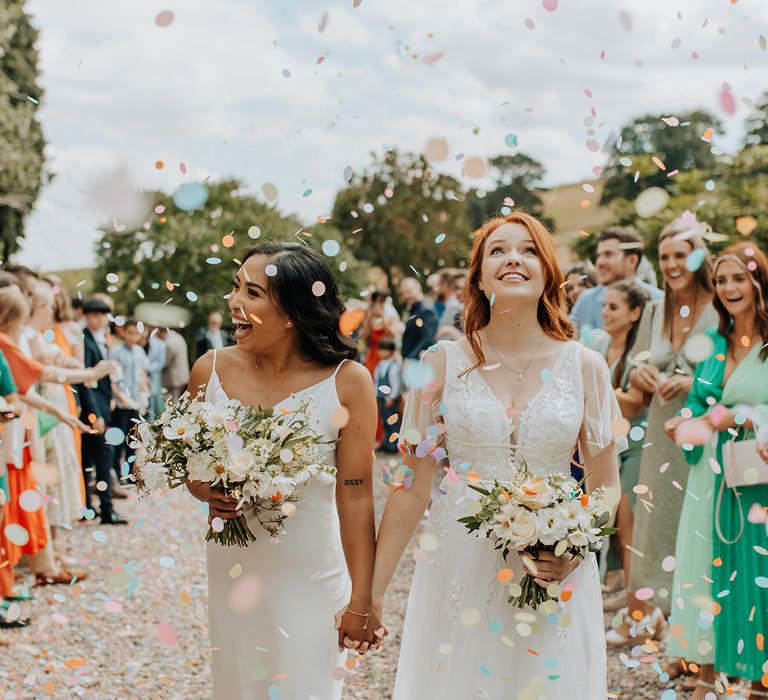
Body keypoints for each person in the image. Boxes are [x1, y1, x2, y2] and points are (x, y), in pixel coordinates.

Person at [371, 212, 623, 698]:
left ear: (548, 272)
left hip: (554, 564)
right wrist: (372, 596)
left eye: (529, 250)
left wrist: (574, 542)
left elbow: (606, 484)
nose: (514, 258)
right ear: (480, 276)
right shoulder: (441, 363)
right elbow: (412, 488)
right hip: (459, 560)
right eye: (499, 250)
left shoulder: (585, 365)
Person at [185, 241, 381, 699]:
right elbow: (190, 466)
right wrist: (205, 490)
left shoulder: (348, 383)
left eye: (252, 294)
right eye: (236, 288)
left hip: (309, 575)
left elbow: (356, 495)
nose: (234, 303)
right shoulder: (208, 370)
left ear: (292, 312)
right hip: (232, 568)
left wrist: (363, 598)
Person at [609, 219, 717, 662]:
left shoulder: (719, 305)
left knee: (697, 533)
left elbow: (734, 366)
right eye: (666, 256)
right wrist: (639, 372)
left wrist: (694, 380)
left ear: (698, 257)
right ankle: (673, 638)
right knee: (655, 532)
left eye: (681, 255)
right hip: (659, 432)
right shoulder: (654, 311)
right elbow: (636, 370)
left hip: (702, 433)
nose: (672, 264)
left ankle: (701, 647)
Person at [664, 242, 768, 699]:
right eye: (722, 280)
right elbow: (697, 402)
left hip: (757, 473)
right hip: (710, 473)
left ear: (759, 282)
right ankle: (712, 667)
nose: (729, 288)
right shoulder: (714, 345)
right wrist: (683, 422)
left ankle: (758, 674)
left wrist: (742, 416)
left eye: (739, 278)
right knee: (708, 568)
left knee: (755, 567)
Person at [599, 281, 649, 605]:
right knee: (616, 524)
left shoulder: (640, 352)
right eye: (604, 306)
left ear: (635, 313)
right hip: (611, 443)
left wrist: (599, 395)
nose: (605, 312)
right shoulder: (604, 348)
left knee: (630, 524)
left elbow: (634, 404)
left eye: (613, 307)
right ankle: (629, 592)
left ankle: (639, 604)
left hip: (638, 444)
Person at [75, 298, 127, 525]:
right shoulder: (84, 340)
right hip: (92, 410)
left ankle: (89, 507)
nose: (99, 319)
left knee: (89, 458)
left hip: (104, 405)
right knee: (102, 459)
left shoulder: (101, 340)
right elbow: (86, 380)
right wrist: (95, 414)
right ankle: (106, 509)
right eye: (95, 315)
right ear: (86, 316)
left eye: (103, 315)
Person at [570, 227, 663, 331]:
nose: (600, 262)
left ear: (632, 261)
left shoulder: (659, 301)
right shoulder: (586, 300)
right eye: (599, 256)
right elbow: (567, 340)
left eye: (608, 254)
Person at [109, 319, 149, 481]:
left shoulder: (140, 352)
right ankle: (116, 472)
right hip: (121, 402)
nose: (133, 337)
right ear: (124, 332)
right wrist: (120, 397)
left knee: (133, 439)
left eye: (136, 334)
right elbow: (112, 379)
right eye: (130, 333)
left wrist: (145, 390)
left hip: (136, 401)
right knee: (119, 439)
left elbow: (142, 374)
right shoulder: (115, 351)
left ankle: (130, 471)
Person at [399, 277, 438, 368]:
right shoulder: (412, 310)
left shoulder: (427, 310)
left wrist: (410, 358)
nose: (406, 296)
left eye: (409, 291)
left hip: (420, 362)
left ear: (418, 288)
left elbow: (428, 338)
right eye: (404, 293)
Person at [373, 338, 401, 453]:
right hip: (381, 397)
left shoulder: (393, 366)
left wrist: (392, 397)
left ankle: (394, 445)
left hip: (390, 398)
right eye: (381, 350)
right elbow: (376, 381)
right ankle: (386, 443)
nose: (382, 353)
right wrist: (376, 394)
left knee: (392, 421)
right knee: (384, 420)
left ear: (390, 351)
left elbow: (395, 382)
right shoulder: (379, 365)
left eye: (385, 350)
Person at [362, 291, 398, 377]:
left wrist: (383, 317)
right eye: (376, 301)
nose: (378, 304)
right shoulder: (370, 318)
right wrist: (368, 320)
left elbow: (393, 335)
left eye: (381, 301)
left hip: (386, 354)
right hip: (373, 354)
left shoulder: (390, 316)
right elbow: (363, 337)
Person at [158, 326, 190, 402]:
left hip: (173, 379)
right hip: (183, 375)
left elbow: (166, 363)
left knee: (172, 404)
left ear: (162, 332)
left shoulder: (169, 344)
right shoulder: (178, 337)